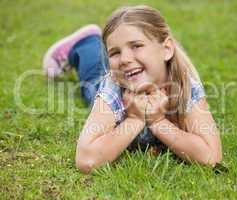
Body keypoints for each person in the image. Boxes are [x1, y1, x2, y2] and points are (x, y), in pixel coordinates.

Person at [43, 5, 222, 174]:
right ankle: (86, 42)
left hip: (136, 78)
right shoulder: (112, 88)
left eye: (136, 46)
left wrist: (158, 122)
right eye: (114, 52)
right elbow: (86, 160)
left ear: (166, 49)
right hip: (117, 82)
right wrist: (134, 120)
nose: (125, 59)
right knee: (92, 81)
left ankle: (91, 42)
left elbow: (211, 157)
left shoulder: (184, 84)